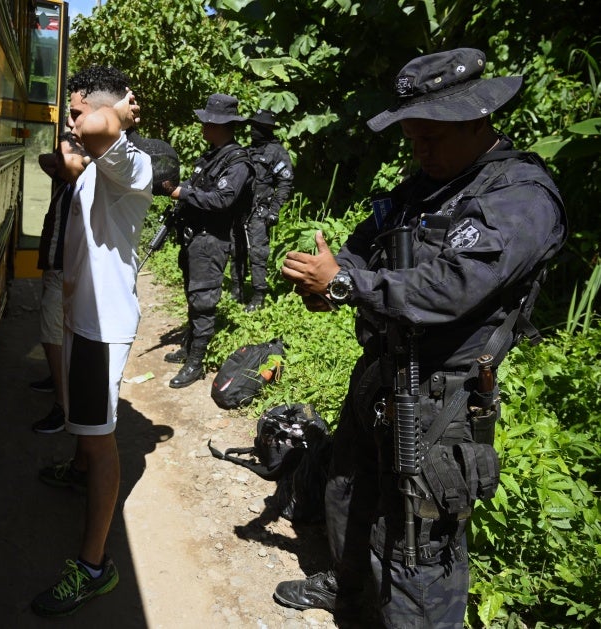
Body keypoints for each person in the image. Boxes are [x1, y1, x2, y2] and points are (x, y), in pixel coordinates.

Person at [276, 48, 566, 627]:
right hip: (382, 371)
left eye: (432, 137)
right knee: (349, 488)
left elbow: (451, 287)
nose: (421, 151)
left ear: (477, 120)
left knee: (417, 538)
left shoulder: (519, 197)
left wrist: (348, 285)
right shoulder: (424, 185)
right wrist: (334, 281)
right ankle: (351, 591)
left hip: (441, 394)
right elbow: (365, 245)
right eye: (413, 139)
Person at [31, 66, 153, 617]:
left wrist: (114, 109)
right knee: (87, 422)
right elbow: (67, 156)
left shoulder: (130, 159)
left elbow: (101, 127)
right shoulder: (95, 163)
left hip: (102, 326)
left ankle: (94, 566)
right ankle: (78, 468)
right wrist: (71, 140)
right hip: (83, 317)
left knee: (101, 437)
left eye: (75, 111)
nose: (73, 124)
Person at [164, 93, 254, 389]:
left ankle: (196, 364)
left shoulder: (238, 162)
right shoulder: (210, 157)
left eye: (208, 123)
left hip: (213, 240)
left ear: (223, 126)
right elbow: (197, 186)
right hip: (196, 238)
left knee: (203, 300)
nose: (203, 127)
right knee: (193, 296)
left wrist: (182, 193)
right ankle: (190, 348)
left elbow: (222, 199)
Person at [30, 132, 87, 433]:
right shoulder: (65, 183)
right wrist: (68, 153)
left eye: (64, 155)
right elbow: (42, 161)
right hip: (55, 270)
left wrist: (79, 156)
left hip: (65, 273)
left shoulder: (83, 186)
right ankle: (57, 381)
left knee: (53, 336)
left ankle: (62, 409)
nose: (58, 161)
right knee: (54, 335)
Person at [231, 109, 294, 311]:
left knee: (258, 253)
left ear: (266, 130)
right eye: (252, 126)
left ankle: (259, 295)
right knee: (236, 250)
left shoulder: (276, 152)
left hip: (259, 211)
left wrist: (274, 210)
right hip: (240, 210)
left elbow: (285, 183)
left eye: (257, 127)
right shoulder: (249, 150)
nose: (252, 131)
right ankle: (236, 289)